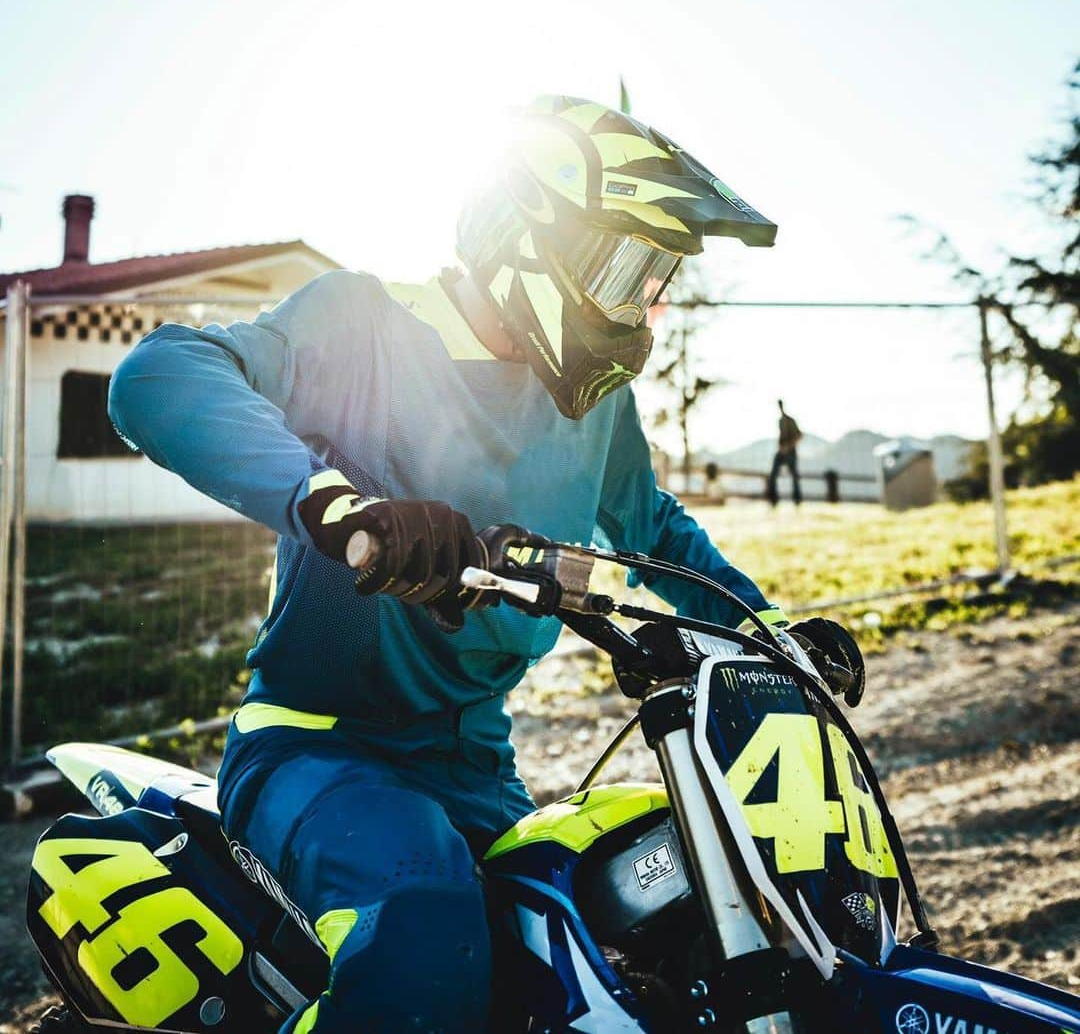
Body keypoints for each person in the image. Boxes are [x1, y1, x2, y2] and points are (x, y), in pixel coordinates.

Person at [108, 95, 863, 1033]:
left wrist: (769, 636)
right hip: (316, 747)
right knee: (425, 937)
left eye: (656, 278)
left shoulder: (592, 407)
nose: (641, 305)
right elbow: (158, 377)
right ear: (527, 239)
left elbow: (656, 531)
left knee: (616, 947)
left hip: (476, 762)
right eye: (625, 266)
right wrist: (337, 507)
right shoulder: (364, 323)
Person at [767, 397, 803, 506]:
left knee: (794, 476)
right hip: (781, 451)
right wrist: (781, 448)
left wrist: (788, 447)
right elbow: (781, 437)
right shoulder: (780, 421)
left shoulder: (790, 420)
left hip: (790, 451)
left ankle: (797, 500)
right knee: (773, 474)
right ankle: (773, 500)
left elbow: (799, 435)